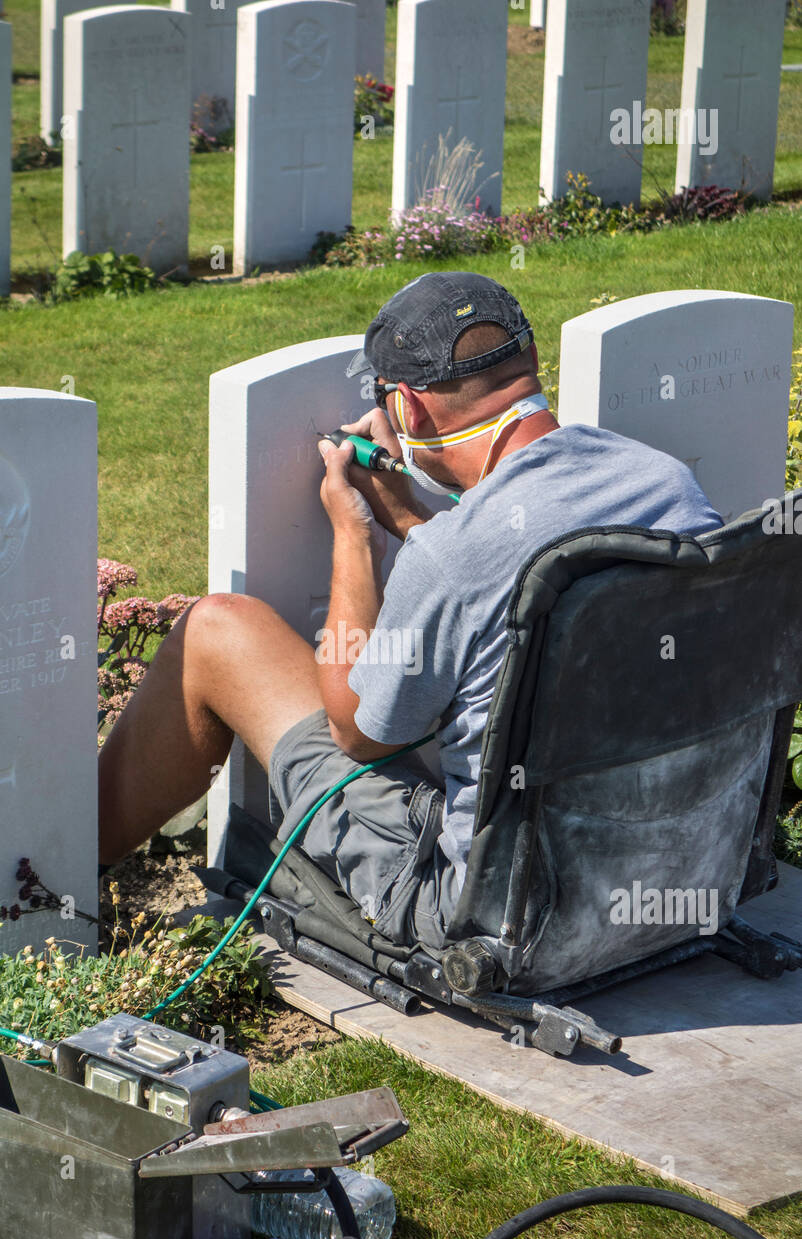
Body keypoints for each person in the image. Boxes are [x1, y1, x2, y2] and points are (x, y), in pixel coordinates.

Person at [98, 271, 722, 952]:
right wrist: (416, 522)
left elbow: (358, 734)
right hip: (682, 868)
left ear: (409, 412)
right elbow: (522, 552)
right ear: (531, 360)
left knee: (219, 631)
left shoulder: (449, 559)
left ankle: (62, 879)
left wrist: (355, 533)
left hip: (505, 913)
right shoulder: (665, 483)